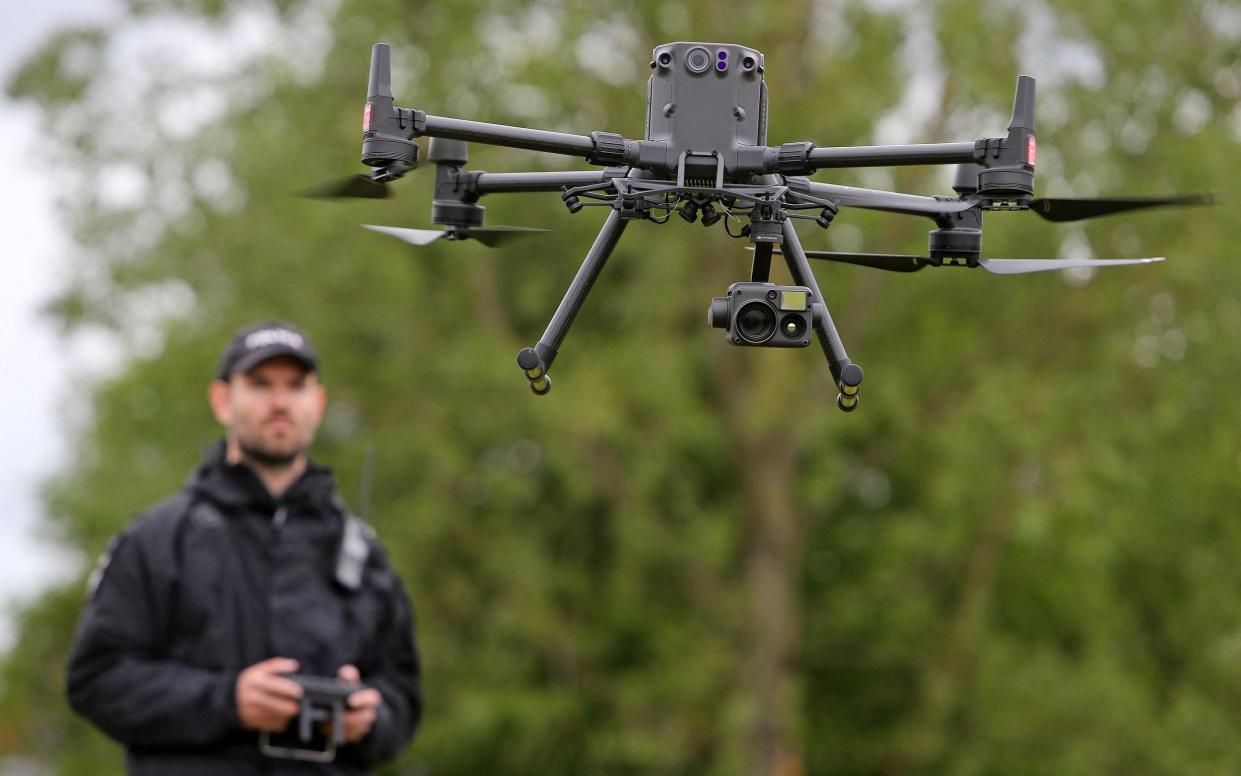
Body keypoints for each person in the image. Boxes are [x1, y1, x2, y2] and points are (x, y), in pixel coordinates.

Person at [66, 320, 421, 774]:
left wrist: (370, 718)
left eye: (295, 386)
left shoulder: (363, 556)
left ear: (318, 402)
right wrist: (228, 700)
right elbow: (96, 680)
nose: (279, 402)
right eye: (259, 385)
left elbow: (403, 697)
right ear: (222, 400)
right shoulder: (157, 541)